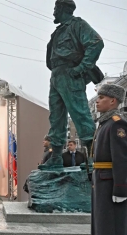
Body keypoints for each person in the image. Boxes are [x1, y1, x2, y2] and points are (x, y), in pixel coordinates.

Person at [40, 0, 104, 169]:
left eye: (55, 8)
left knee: (80, 113)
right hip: (57, 74)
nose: (53, 12)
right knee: (56, 117)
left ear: (63, 8)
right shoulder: (59, 31)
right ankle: (55, 157)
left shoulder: (77, 25)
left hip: (70, 73)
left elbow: (96, 43)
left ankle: (92, 157)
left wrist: (81, 68)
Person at [91, 84, 127, 234]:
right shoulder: (105, 124)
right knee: (101, 225)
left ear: (113, 101)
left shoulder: (116, 123)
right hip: (101, 181)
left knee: (111, 225)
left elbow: (121, 158)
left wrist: (120, 189)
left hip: (109, 182)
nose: (97, 101)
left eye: (101, 98)